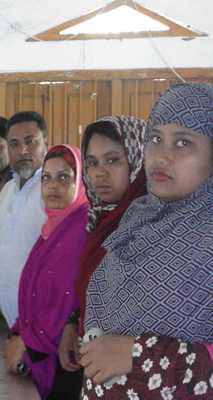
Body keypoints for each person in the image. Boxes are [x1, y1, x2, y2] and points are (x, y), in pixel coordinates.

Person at [79, 82, 213, 398]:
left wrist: (142, 355)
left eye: (183, 142)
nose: (162, 156)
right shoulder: (138, 220)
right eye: (155, 139)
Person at [56, 116, 147, 374]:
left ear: (138, 160)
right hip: (95, 358)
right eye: (92, 162)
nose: (99, 172)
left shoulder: (152, 225)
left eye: (112, 160)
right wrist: (73, 324)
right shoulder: (98, 221)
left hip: (137, 370)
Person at [4, 145, 88, 399]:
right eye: (46, 177)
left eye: (64, 177)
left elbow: (68, 304)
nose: (53, 185)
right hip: (40, 348)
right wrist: (18, 333)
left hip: (66, 360)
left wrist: (24, 341)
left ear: (81, 182)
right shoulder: (52, 227)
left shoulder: (82, 228)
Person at [0, 111, 49, 333]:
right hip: (10, 319)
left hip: (42, 323)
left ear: (46, 143)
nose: (23, 150)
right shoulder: (8, 191)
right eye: (15, 144)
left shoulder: (52, 191)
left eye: (31, 141)